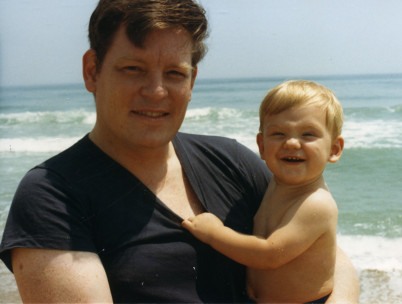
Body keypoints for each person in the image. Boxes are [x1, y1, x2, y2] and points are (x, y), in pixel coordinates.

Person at [0, 0, 358, 303]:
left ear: (192, 81)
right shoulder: (52, 195)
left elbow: (324, 254)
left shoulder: (231, 161)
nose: (156, 91)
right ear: (92, 71)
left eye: (174, 73)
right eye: (133, 69)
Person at [183, 80, 344, 303]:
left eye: (308, 135)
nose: (292, 143)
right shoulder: (275, 185)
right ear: (261, 146)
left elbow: (270, 254)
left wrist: (215, 234)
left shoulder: (317, 204)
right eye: (278, 134)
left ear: (334, 150)